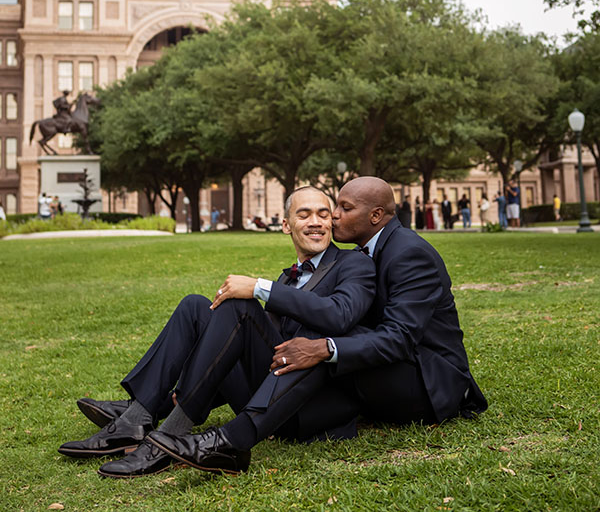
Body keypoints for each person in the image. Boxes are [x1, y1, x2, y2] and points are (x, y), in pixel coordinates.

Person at [151, 177, 487, 477]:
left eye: (344, 207)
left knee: (323, 338)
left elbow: (399, 339)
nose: (334, 215)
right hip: (384, 370)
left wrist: (326, 348)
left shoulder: (409, 252)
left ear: (375, 216)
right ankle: (151, 412)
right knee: (225, 315)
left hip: (426, 384)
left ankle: (231, 441)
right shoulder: (369, 251)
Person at [58, 186, 375, 477]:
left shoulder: (353, 264)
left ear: (332, 222)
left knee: (241, 307)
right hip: (268, 387)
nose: (316, 222)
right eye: (304, 214)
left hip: (308, 408)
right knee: (195, 306)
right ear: (286, 225)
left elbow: (341, 316)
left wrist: (258, 289)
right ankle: (135, 419)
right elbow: (258, 345)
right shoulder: (286, 279)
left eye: (323, 214)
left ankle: (169, 434)